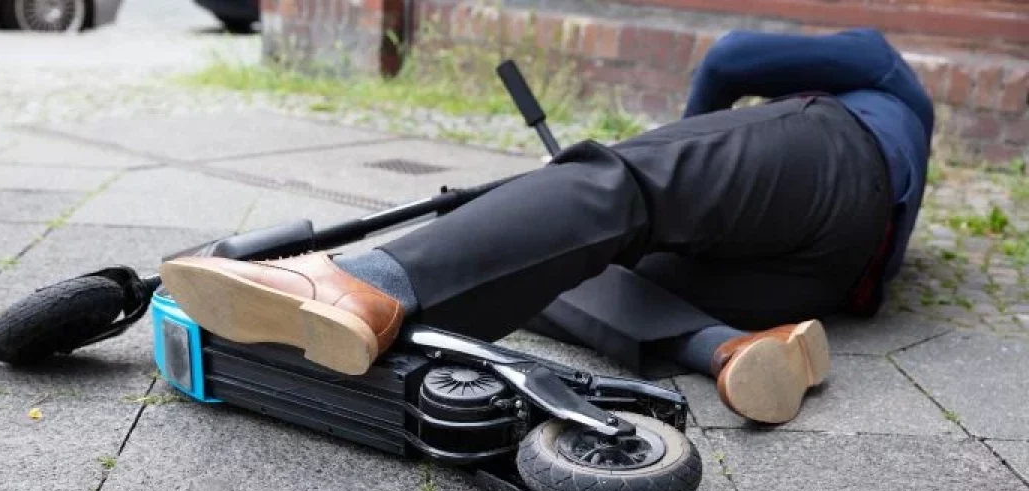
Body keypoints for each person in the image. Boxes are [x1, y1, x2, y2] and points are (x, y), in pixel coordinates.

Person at [159, 27, 934, 425]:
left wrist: (659, 157)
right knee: (573, 257)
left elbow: (731, 58)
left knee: (619, 188)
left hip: (836, 160)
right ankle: (732, 349)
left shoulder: (885, 86)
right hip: (822, 281)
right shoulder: (905, 170)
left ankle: (363, 284)